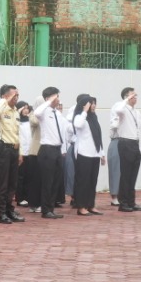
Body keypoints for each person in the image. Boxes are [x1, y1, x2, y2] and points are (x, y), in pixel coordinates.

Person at [0, 85, 24, 224]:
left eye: (17, 95)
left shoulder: (15, 112)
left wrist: (20, 152)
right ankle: (1, 213)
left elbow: (17, 134)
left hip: (14, 149)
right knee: (2, 183)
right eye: (13, 95)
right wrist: (4, 101)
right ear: (5, 96)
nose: (16, 98)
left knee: (12, 183)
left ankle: (9, 210)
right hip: (2, 148)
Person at [34, 87, 70, 220]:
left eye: (58, 97)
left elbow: (65, 130)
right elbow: (36, 112)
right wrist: (48, 102)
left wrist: (63, 149)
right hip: (47, 150)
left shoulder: (57, 113)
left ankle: (51, 208)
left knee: (56, 181)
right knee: (47, 182)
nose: (58, 99)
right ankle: (45, 210)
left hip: (57, 150)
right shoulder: (44, 111)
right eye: (55, 97)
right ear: (48, 98)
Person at [109, 86, 141, 213]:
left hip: (135, 143)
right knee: (125, 175)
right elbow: (118, 109)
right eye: (132, 95)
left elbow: (138, 130)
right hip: (125, 142)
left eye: (135, 95)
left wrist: (140, 147)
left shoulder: (137, 112)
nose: (135, 97)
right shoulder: (121, 108)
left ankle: (131, 202)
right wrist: (126, 100)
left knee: (133, 175)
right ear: (126, 97)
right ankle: (123, 203)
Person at [70, 94, 105, 216]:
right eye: (91, 103)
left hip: (95, 153)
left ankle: (90, 205)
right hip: (83, 153)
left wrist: (102, 153)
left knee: (92, 181)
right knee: (83, 181)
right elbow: (78, 125)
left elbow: (98, 136)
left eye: (95, 103)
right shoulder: (80, 117)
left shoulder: (94, 118)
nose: (94, 106)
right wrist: (84, 111)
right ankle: (81, 206)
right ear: (85, 105)